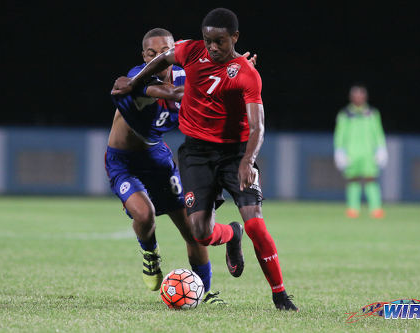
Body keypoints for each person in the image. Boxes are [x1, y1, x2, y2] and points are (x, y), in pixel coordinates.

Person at [112, 8, 299, 311]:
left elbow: (258, 126)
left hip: (236, 154)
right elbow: (164, 63)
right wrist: (135, 84)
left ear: (234, 38)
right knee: (199, 232)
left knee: (256, 225)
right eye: (208, 41)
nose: (212, 47)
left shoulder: (247, 73)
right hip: (196, 155)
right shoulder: (190, 52)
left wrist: (248, 161)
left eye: (220, 42)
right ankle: (230, 234)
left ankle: (280, 295)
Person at [105, 27, 224, 305]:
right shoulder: (138, 80)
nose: (158, 57)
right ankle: (150, 253)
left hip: (158, 159)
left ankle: (205, 293)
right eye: (152, 53)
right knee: (145, 216)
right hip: (123, 162)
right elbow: (169, 92)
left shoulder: (188, 74)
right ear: (143, 56)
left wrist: (235, 68)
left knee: (194, 230)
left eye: (164, 52)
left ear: (174, 51)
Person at [334, 84, 388, 219]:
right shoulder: (345, 114)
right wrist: (339, 150)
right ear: (351, 97)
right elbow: (339, 134)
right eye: (356, 96)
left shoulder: (372, 113)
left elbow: (378, 132)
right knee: (353, 180)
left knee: (371, 179)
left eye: (361, 95)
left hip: (368, 153)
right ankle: (353, 209)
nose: (358, 98)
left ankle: (376, 209)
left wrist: (381, 148)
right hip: (352, 153)